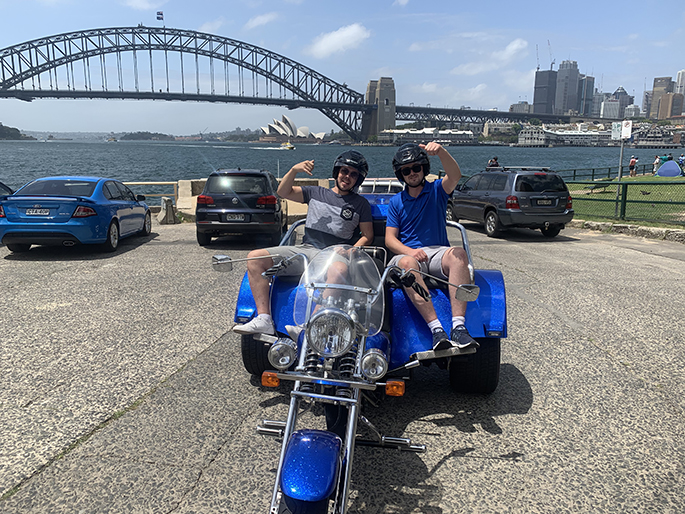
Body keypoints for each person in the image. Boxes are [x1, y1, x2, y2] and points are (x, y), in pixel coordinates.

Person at [233, 151, 374, 335]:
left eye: (353, 174)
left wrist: (351, 250)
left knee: (340, 270)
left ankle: (309, 326)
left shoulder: (360, 204)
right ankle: (264, 318)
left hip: (332, 254)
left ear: (359, 179)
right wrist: (294, 170)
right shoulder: (315, 192)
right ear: (336, 171)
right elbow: (283, 192)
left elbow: (367, 235)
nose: (347, 177)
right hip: (306, 250)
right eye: (344, 171)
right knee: (255, 257)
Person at [385, 142, 478, 352]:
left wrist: (441, 152)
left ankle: (458, 327)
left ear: (424, 168)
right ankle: (436, 329)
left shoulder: (437, 190)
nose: (412, 173)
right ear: (401, 174)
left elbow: (455, 175)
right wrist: (410, 252)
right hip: (407, 255)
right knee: (408, 263)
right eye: (406, 170)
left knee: (459, 255)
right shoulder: (396, 202)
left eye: (416, 168)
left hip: (436, 252)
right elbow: (390, 240)